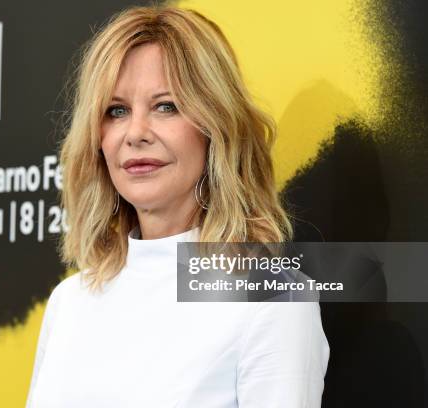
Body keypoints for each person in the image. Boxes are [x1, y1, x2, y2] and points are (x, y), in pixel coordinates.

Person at [26, 4, 329, 407]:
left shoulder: (273, 299)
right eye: (116, 111)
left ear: (215, 126)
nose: (135, 133)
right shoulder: (70, 302)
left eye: (165, 106)